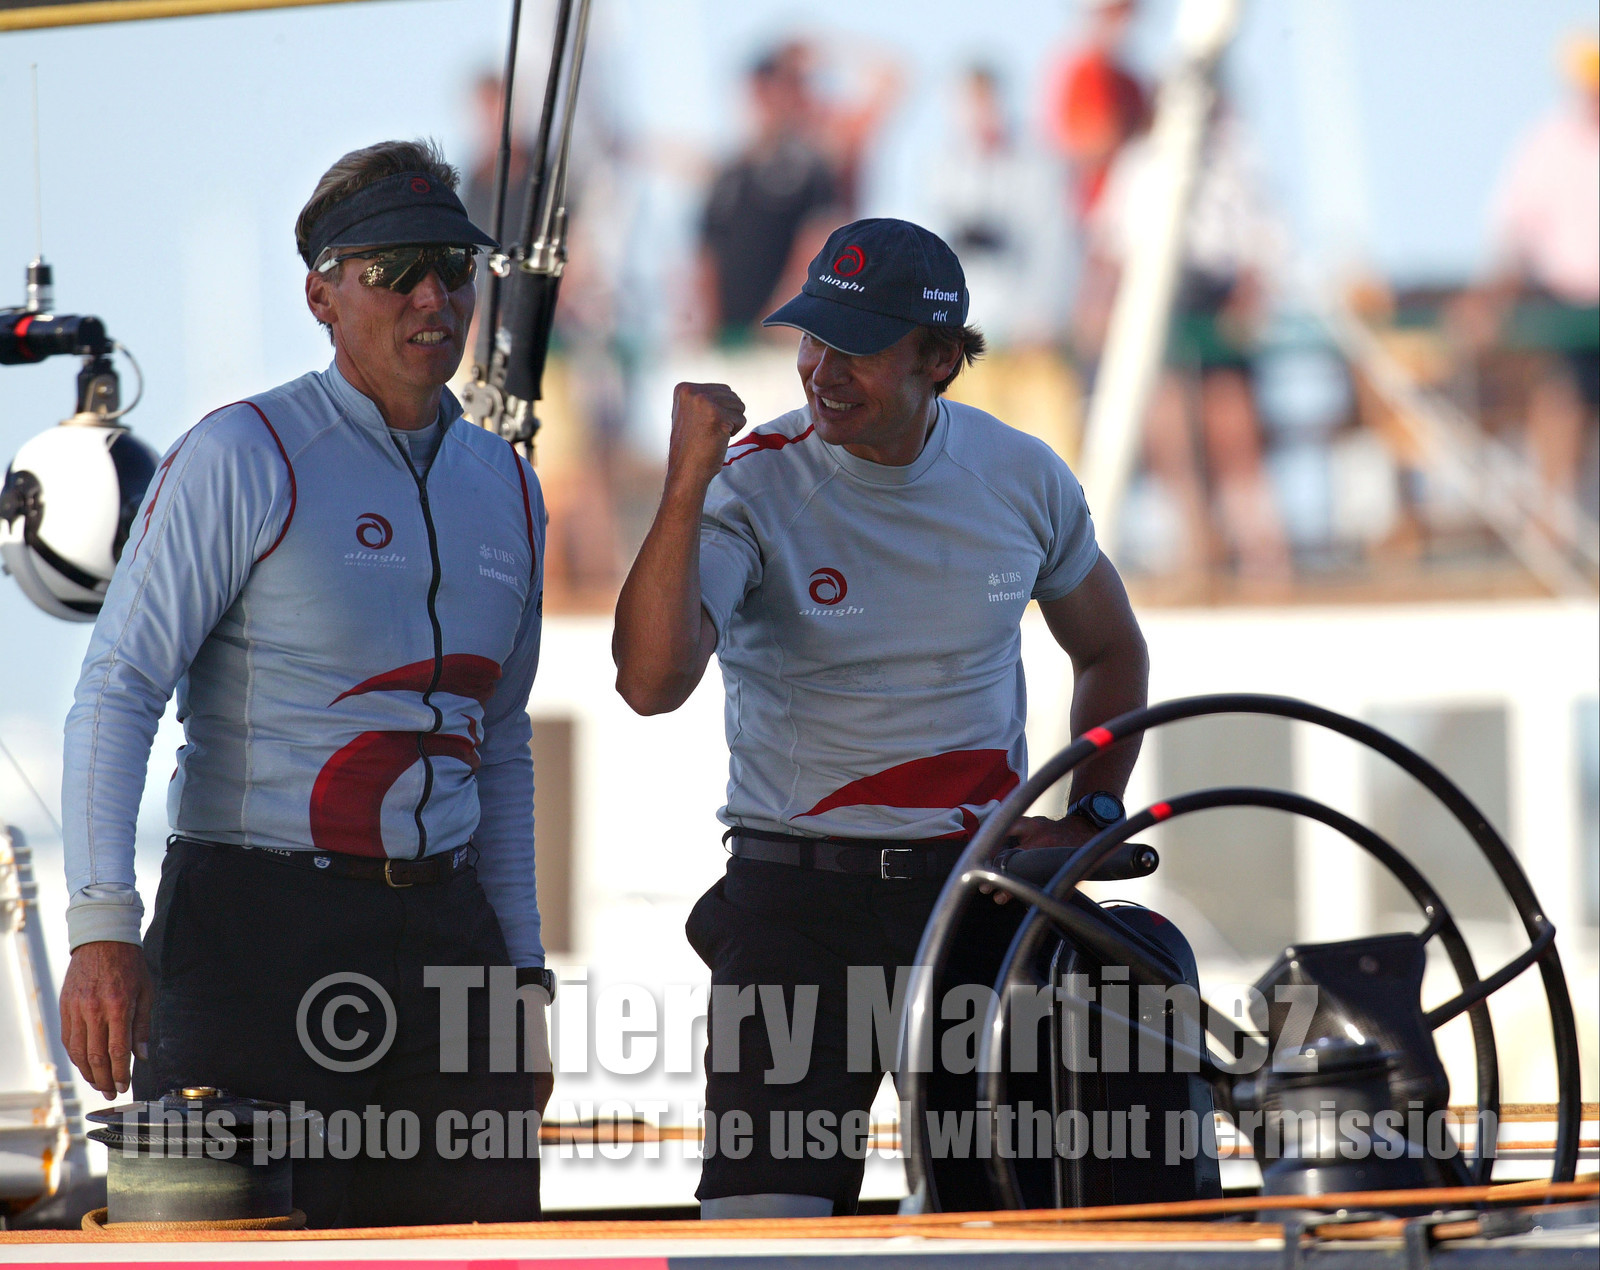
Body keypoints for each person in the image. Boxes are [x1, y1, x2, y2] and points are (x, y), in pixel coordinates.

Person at [57, 139, 554, 1228]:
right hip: (252, 933)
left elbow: (502, 742)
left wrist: (521, 970)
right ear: (322, 294)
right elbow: (119, 685)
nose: (432, 295)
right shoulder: (244, 452)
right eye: (394, 269)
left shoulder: (507, 487)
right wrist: (101, 928)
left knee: (478, 1257)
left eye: (453, 268)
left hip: (448, 940)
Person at [613, 218, 1149, 1217]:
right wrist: (684, 484)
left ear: (938, 358)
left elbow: (1111, 652)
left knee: (1004, 1224)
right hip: (791, 906)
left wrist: (1092, 812)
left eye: (854, 347)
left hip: (971, 901)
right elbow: (650, 681)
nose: (819, 369)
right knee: (757, 1231)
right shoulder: (752, 477)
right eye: (810, 337)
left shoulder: (1022, 476)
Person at [697, 48, 842, 344]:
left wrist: (778, 322)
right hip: (730, 339)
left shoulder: (810, 167)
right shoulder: (729, 173)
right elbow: (706, 257)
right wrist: (709, 330)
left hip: (782, 340)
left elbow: (818, 248)